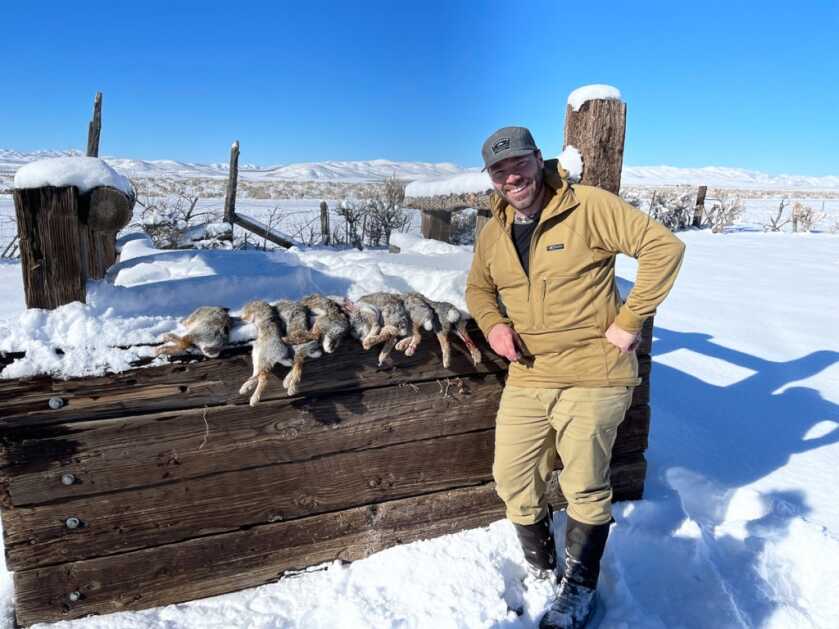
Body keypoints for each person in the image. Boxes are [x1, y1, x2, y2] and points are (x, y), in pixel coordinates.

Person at [465, 127, 685, 629]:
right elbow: (478, 288)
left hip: (593, 372)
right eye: (499, 170)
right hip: (529, 373)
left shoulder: (586, 205)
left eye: (518, 164)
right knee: (513, 478)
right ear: (491, 178)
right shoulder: (494, 230)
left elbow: (663, 248)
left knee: (584, 483)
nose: (511, 177)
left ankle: (579, 589)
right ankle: (543, 567)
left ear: (537, 159)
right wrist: (494, 325)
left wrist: (630, 322)